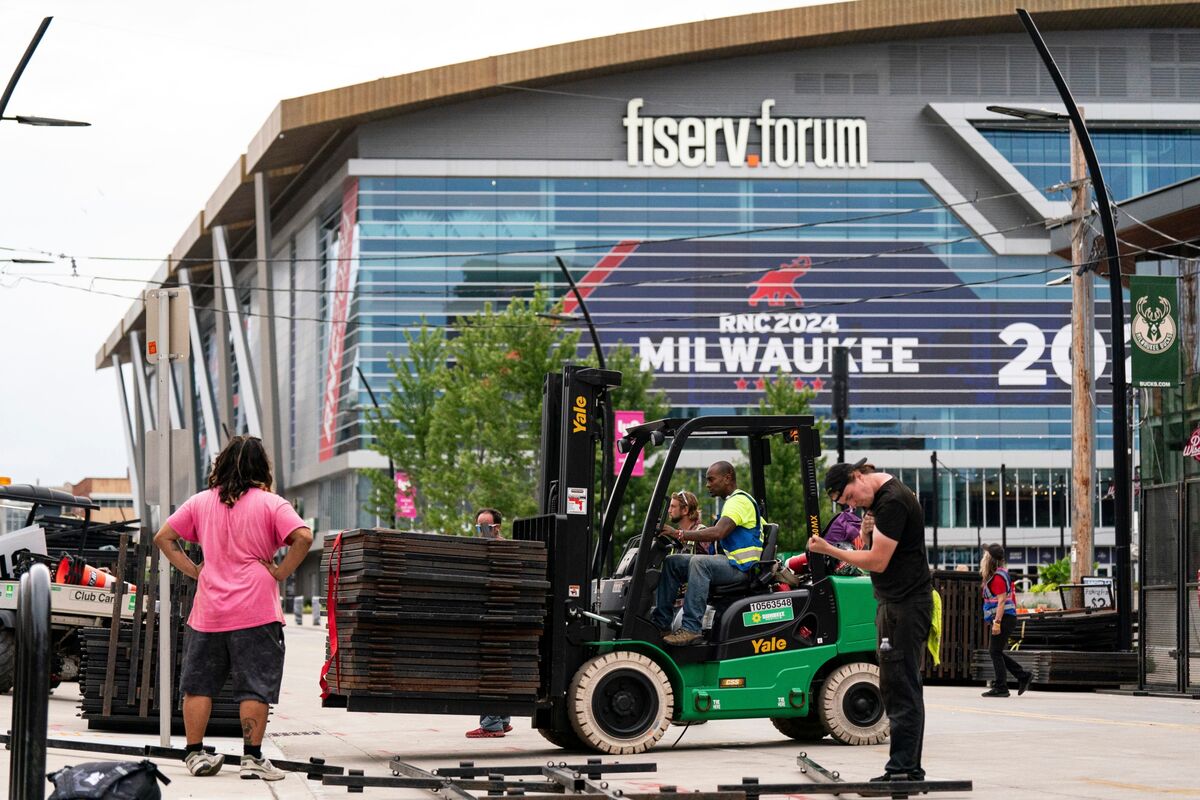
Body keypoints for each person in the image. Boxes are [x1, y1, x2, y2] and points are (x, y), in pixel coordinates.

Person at [154, 435, 313, 780]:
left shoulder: (199, 502)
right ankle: (252, 758)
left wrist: (194, 569)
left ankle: (195, 754)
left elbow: (163, 536)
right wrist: (281, 571)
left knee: (198, 684)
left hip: (209, 609)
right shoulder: (271, 504)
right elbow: (304, 537)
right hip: (255, 609)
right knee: (254, 686)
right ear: (262, 467)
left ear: (221, 464)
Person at [807, 458, 932, 784]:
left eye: (850, 497)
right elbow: (872, 550)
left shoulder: (892, 501)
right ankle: (908, 768)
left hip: (905, 605)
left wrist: (828, 549)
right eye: (845, 503)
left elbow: (877, 561)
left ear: (858, 476)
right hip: (894, 602)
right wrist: (865, 533)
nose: (852, 504)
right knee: (897, 684)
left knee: (899, 685)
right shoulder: (879, 503)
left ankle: (902, 770)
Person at [651, 461, 763, 647]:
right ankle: (661, 624)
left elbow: (718, 533)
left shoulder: (739, 501)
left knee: (699, 562)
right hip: (728, 563)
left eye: (711, 479)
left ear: (727, 478)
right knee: (672, 562)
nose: (707, 484)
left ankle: (691, 628)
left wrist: (679, 533)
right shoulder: (732, 504)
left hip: (741, 568)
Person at [465, 507, 515, 739]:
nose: (481, 531)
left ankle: (491, 724)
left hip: (497, 618)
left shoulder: (500, 550)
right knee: (499, 670)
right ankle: (502, 720)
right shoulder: (484, 548)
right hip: (495, 617)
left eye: (486, 526)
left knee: (490, 670)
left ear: (497, 528)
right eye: (478, 527)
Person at [980, 543, 1032, 698]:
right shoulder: (1000, 574)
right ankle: (1022, 676)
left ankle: (1002, 686)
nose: (983, 558)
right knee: (996, 651)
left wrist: (997, 622)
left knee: (994, 651)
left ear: (990, 559)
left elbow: (1002, 601)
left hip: (1005, 618)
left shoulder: (997, 578)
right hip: (1006, 618)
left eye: (985, 555)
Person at [669, 490, 710, 555]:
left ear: (685, 510)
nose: (669, 510)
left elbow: (708, 563)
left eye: (673, 506)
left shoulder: (702, 532)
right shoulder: (677, 536)